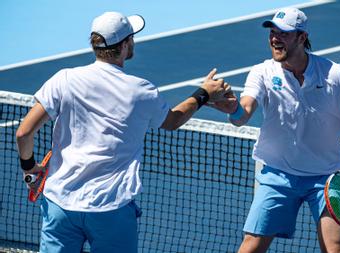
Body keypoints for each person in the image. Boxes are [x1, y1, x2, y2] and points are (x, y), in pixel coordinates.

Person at [15, 12, 230, 253]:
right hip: (110, 210)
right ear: (126, 44)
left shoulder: (63, 80)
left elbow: (23, 133)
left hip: (60, 206)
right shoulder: (141, 91)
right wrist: (204, 94)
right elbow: (173, 120)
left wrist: (30, 170)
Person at [209, 7, 340, 253]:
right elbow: (242, 115)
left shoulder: (334, 73)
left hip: (327, 177)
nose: (275, 38)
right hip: (278, 175)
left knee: (336, 249)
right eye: (272, 32)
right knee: (251, 247)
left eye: (284, 33)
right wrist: (231, 108)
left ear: (302, 37)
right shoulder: (262, 73)